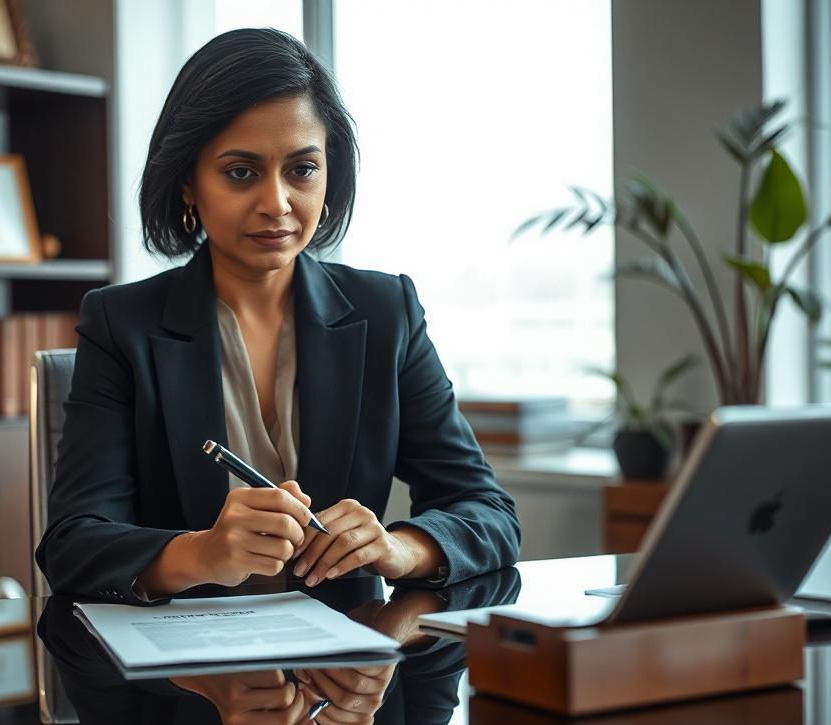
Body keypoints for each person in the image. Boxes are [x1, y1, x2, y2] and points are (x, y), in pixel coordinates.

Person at [35, 27, 520, 604]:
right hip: (188, 652)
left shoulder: (387, 312)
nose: (277, 203)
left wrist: (399, 548)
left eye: (302, 169)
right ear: (188, 182)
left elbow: (488, 512)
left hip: (346, 650)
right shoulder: (121, 324)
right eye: (241, 172)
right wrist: (202, 553)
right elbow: (72, 545)